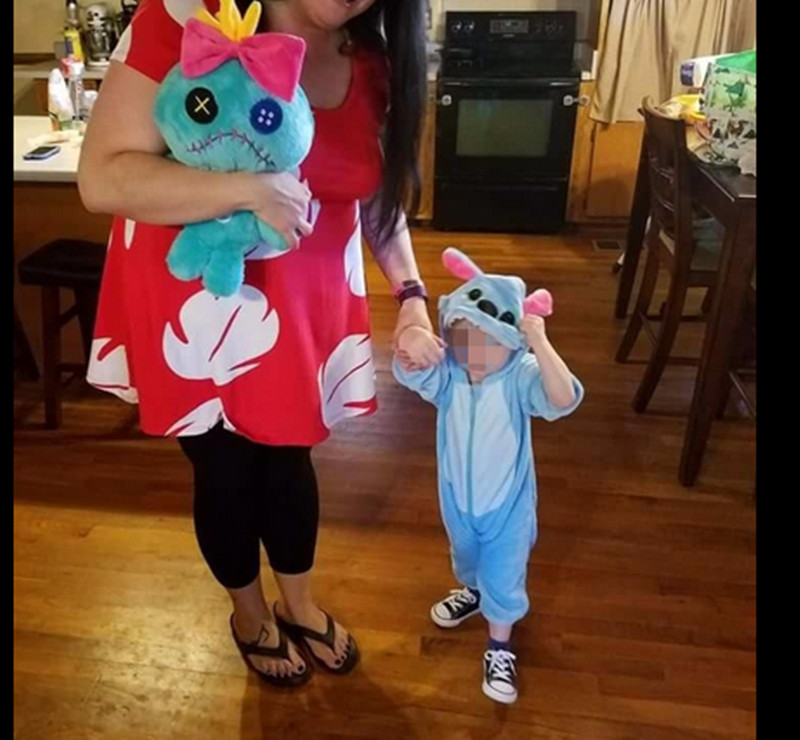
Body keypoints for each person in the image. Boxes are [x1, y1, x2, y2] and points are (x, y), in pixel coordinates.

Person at [78, 0, 443, 686]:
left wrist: (414, 295)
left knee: (288, 466)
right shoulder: (182, 19)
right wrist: (249, 189)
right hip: (199, 310)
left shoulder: (371, 61)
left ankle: (298, 605)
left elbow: (373, 202)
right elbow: (102, 178)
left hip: (304, 318)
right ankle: (250, 615)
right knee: (225, 472)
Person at [393, 248, 584, 704]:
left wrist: (539, 340)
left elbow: (562, 398)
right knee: (467, 556)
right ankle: (473, 592)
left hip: (507, 508)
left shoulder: (521, 376)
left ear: (510, 339)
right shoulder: (451, 376)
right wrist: (411, 342)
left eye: (487, 339)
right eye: (462, 339)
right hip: (458, 501)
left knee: (504, 570)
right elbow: (407, 372)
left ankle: (499, 644)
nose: (472, 352)